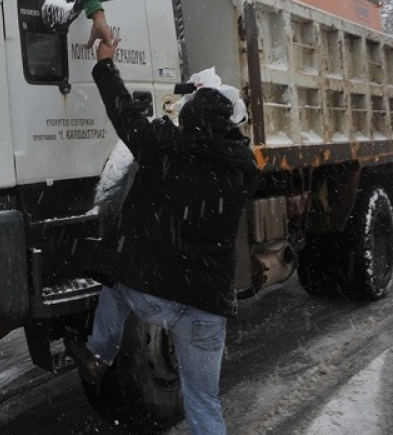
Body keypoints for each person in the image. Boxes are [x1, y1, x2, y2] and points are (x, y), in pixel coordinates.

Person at [68, 40, 261, 435]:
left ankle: (99, 355)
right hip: (207, 307)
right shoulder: (243, 172)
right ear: (228, 128)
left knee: (114, 281)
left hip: (153, 293)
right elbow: (232, 145)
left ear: (187, 121)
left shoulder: (163, 147)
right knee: (204, 401)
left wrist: (106, 65)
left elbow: (124, 114)